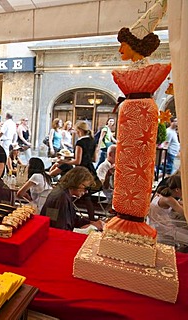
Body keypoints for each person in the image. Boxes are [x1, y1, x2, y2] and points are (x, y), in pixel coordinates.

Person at [104, 18, 172, 238]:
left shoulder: (144, 85)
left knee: (137, 171)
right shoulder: (131, 93)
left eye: (123, 43)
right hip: (135, 110)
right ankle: (124, 216)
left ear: (133, 44)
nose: (119, 49)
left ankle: (132, 219)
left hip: (139, 111)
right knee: (127, 173)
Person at [56, 121, 99, 220]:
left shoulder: (80, 142)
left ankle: (67, 214)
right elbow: (94, 159)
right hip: (90, 170)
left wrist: (64, 161)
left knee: (70, 191)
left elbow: (78, 161)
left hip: (81, 171)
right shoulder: (92, 141)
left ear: (79, 130)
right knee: (87, 198)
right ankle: (91, 218)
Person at [40, 166, 103, 231]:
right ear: (77, 182)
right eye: (86, 188)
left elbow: (73, 218)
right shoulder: (61, 197)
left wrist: (91, 223)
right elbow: (60, 229)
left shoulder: (63, 192)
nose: (86, 191)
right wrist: (84, 229)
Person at [149, 175, 187, 250]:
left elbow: (181, 203)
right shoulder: (168, 200)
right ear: (177, 189)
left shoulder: (161, 195)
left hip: (160, 227)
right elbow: (184, 212)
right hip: (163, 230)